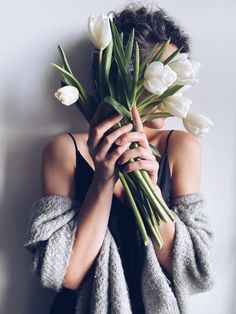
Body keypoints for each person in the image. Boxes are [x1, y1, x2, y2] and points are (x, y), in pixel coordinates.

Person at [35, 3, 210, 314]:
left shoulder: (181, 147)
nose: (174, 92)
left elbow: (191, 269)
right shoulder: (64, 150)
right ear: (125, 79)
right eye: (164, 79)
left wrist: (150, 191)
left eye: (177, 80)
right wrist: (103, 179)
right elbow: (67, 274)